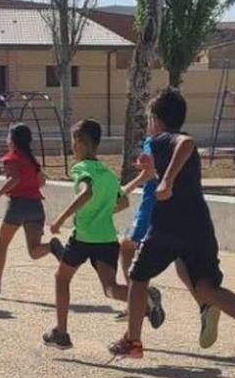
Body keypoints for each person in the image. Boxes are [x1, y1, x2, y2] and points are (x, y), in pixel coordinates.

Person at [108, 88, 235, 363]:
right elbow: (173, 155)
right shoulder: (163, 145)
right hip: (198, 225)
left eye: (150, 120)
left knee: (137, 278)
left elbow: (186, 143)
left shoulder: (161, 139)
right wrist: (153, 172)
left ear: (155, 119)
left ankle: (132, 340)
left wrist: (167, 180)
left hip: (167, 226)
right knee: (205, 287)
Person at [43, 119, 163, 349]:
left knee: (61, 278)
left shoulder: (81, 168)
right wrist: (140, 179)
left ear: (79, 142)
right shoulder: (107, 173)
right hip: (107, 240)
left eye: (73, 142)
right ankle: (146, 296)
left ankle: (61, 332)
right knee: (110, 289)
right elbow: (122, 202)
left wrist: (60, 218)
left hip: (83, 237)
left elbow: (87, 193)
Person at [119, 138, 221, 348]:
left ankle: (143, 304)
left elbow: (149, 173)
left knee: (129, 250)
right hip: (180, 211)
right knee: (180, 260)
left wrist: (128, 186)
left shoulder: (154, 141)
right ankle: (204, 303)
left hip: (152, 206)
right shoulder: (179, 142)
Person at [0, 123, 58, 294]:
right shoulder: (31, 160)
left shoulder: (12, 158)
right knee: (34, 250)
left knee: (2, 244)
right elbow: (42, 182)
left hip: (18, 205)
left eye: (8, 136)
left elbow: (14, 179)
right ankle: (52, 246)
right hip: (36, 206)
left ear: (13, 140)